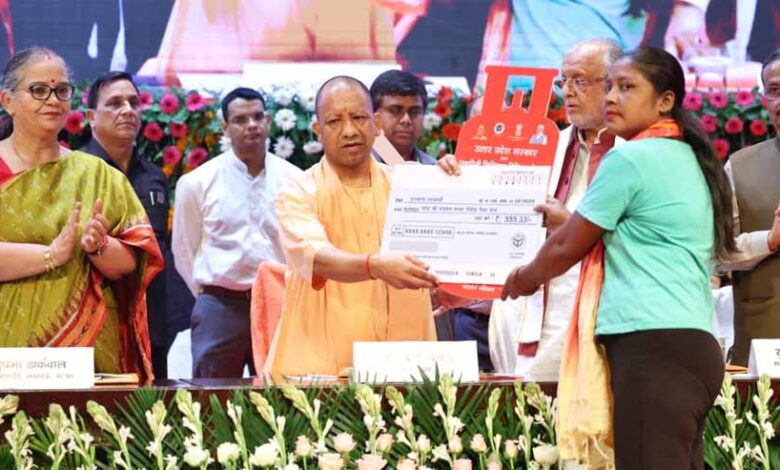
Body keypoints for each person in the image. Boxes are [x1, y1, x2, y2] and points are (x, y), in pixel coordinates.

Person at [502, 47, 732, 467]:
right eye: (609, 87)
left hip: (653, 344)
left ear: (665, 101)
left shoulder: (630, 157)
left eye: (627, 88)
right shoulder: (686, 155)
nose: (611, 97)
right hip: (692, 344)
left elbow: (566, 245)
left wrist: (520, 279)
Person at [0, 47, 163, 380]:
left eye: (61, 90)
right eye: (38, 90)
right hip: (8, 351)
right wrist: (49, 256)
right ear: (7, 101)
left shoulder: (98, 175)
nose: (53, 100)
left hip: (87, 352)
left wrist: (98, 246)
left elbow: (131, 265)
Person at [266, 76, 437, 376]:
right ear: (318, 130)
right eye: (334, 121)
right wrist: (375, 266)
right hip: (319, 367)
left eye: (358, 118)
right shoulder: (297, 193)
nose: (349, 131)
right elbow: (317, 259)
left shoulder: (409, 187)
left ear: (376, 123)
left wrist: (456, 183)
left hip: (406, 362)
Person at [482, 38, 623, 377]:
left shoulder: (634, 152)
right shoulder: (543, 147)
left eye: (580, 81)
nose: (568, 92)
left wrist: (570, 226)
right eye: (564, 82)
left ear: (613, 85)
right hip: (532, 312)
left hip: (608, 314)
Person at [172, 87, 302, 378]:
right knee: (212, 397)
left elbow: (300, 248)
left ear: (268, 121)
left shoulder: (295, 180)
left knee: (280, 393)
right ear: (225, 128)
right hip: (220, 305)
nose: (251, 125)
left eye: (257, 117)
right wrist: (211, 295)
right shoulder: (197, 182)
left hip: (278, 302)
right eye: (241, 120)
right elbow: (184, 250)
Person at [83, 71, 170, 379]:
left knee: (152, 405)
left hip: (151, 318)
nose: (128, 110)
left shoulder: (153, 176)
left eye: (134, 102)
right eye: (115, 103)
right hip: (94, 319)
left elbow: (161, 248)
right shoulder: (76, 172)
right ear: (91, 117)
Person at [719, 49, 780, 365]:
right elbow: (716, 252)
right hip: (764, 343)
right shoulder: (740, 166)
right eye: (774, 90)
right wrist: (768, 240)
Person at [369, 69, 436, 165]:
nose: (406, 120)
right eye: (395, 111)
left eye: (414, 112)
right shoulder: (355, 165)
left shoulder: (434, 169)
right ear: (374, 116)